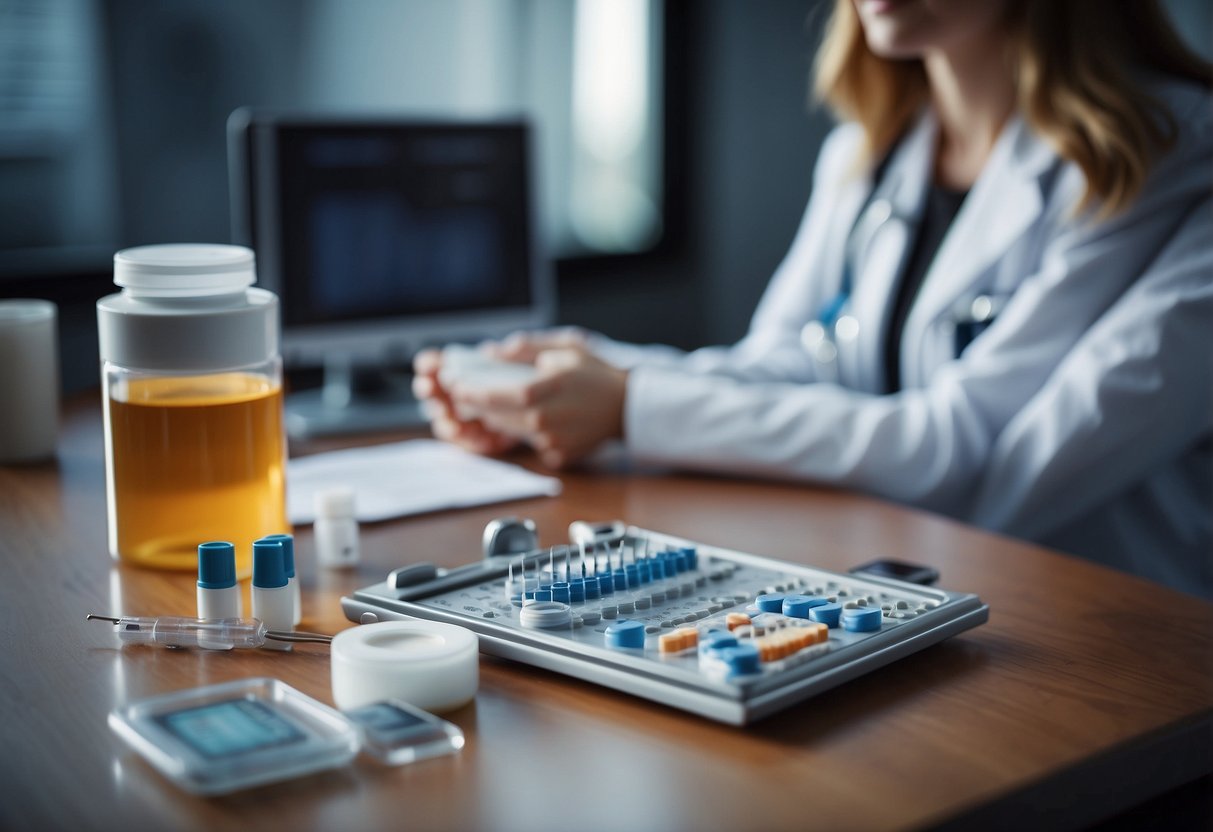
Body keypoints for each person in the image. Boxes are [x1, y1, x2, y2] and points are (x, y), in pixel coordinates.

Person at [415, 0, 1213, 595]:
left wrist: (627, 406)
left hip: (1102, 613)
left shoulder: (1154, 153)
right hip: (913, 584)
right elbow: (783, 364)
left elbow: (956, 451)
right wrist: (579, 379)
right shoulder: (866, 156)